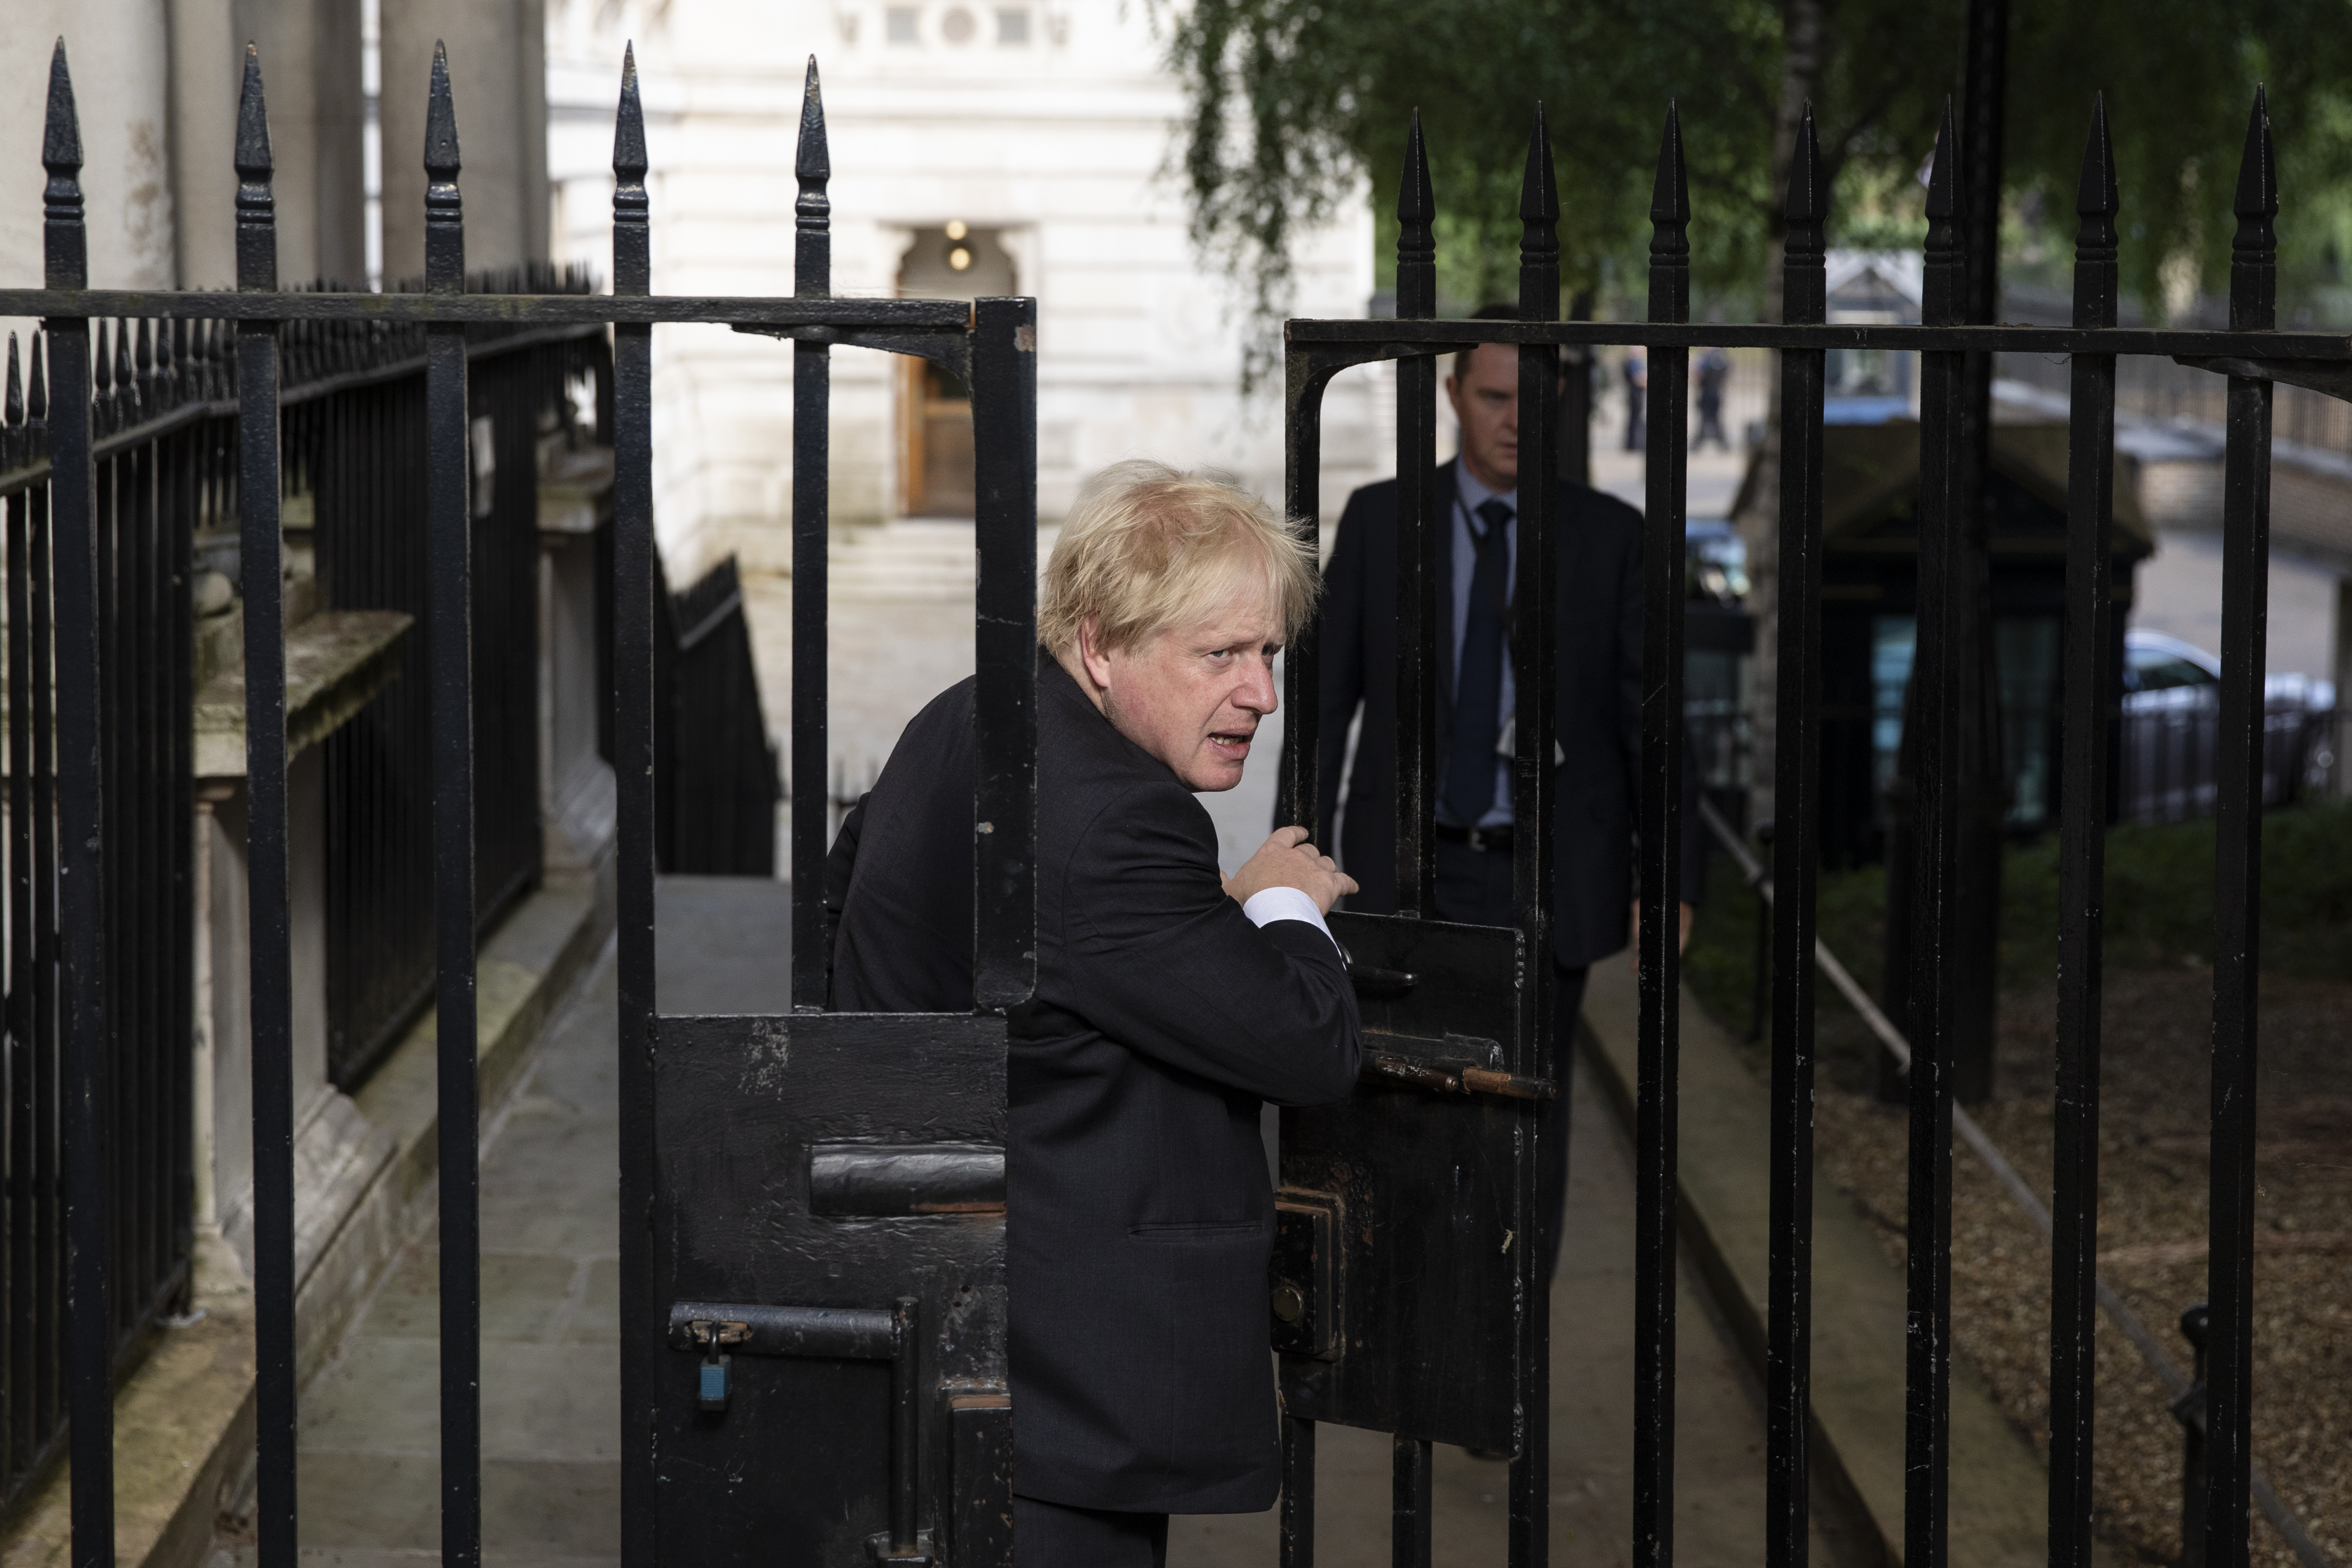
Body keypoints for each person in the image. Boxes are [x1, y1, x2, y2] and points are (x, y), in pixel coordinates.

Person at [828, 461, 1365, 1568]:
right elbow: (1312, 1046)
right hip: (1058, 1376)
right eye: (1219, 654)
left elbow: (875, 899)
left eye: (1268, 652)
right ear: (1099, 646)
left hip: (939, 1317)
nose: (1260, 692)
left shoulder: (975, 711)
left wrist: (1194, 922)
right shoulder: (1118, 825)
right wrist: (1278, 899)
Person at [1305, 303, 1702, 1291]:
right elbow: (1321, 712)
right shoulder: (1379, 519)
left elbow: (1655, 724)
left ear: (1558, 395)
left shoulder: (1613, 538)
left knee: (1528, 1120)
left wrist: (1672, 875)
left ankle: (1508, 1351)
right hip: (1403, 869)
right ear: (1452, 396)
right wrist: (1297, 861)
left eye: (1532, 396)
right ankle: (1414, 1336)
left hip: (1546, 879)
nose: (1513, 417)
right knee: (1400, 1107)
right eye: (1492, 396)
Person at [1695, 346, 1731, 451]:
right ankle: (1720, 443)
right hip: (1711, 392)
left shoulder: (1708, 360)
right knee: (1708, 419)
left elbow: (1699, 374)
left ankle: (1721, 443)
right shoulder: (1718, 359)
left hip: (1711, 392)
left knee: (1711, 419)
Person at [1620, 345, 1647, 451]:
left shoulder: (1634, 362)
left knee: (1634, 418)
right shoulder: (1632, 362)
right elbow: (1637, 379)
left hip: (1636, 393)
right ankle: (1632, 444)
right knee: (1634, 418)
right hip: (1635, 393)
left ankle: (1633, 444)